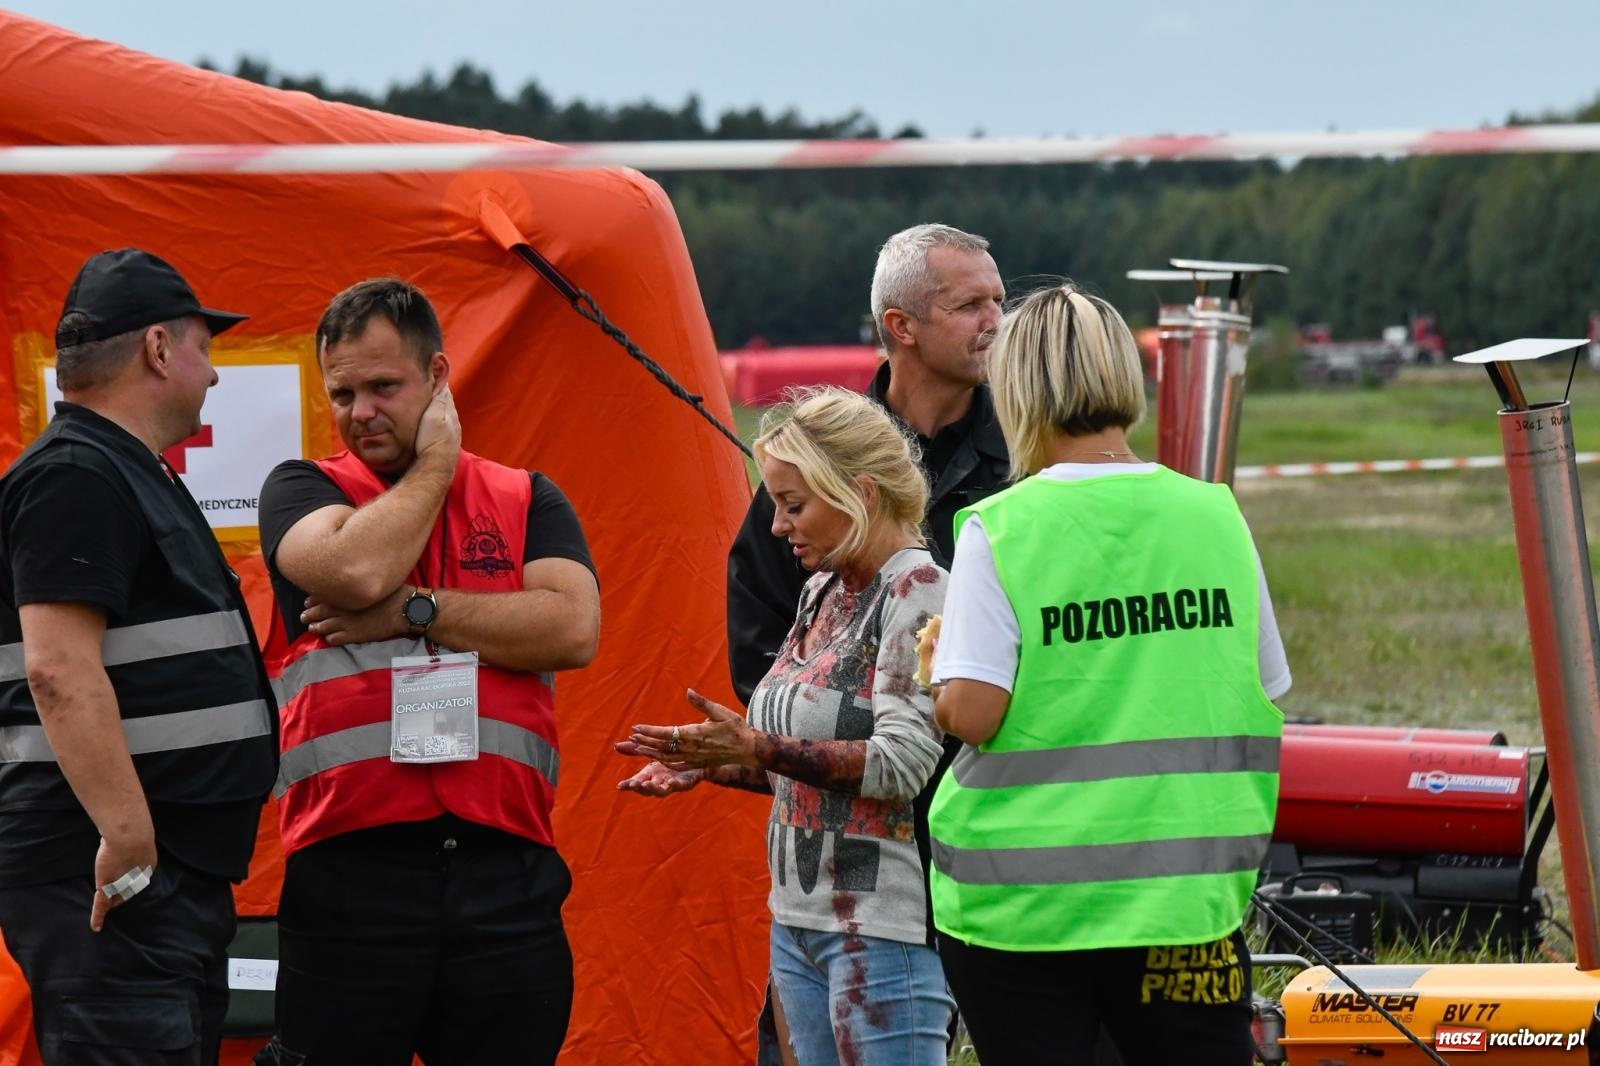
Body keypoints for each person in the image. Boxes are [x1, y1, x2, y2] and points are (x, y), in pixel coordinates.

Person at [921, 284, 1292, 1066]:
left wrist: (936, 673)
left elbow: (976, 712)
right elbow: (1263, 680)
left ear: (1016, 389)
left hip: (1023, 914)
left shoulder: (1003, 528)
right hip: (1186, 903)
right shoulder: (1215, 514)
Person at [254, 278, 600, 1065]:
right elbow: (356, 572)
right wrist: (438, 461)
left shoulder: (526, 498)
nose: (360, 412)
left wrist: (421, 612)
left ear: (438, 376)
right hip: (349, 875)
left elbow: (572, 628)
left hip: (503, 874)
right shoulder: (300, 490)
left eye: (384, 386)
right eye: (341, 393)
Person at [726, 225, 1005, 1063]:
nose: (997, 320)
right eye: (971, 304)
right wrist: (739, 753)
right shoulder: (809, 493)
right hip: (817, 895)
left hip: (954, 869)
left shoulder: (1020, 467)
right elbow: (761, 661)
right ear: (900, 326)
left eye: (1001, 299)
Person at [620, 387, 956, 1066]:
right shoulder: (820, 591)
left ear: (859, 493)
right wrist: (716, 763)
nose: (776, 527)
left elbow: (901, 765)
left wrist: (756, 745)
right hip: (800, 919)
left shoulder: (917, 589)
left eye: (793, 504)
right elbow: (804, 768)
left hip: (880, 929)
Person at [0, 248, 279, 1064]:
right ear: (159, 349)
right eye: (206, 348)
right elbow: (58, 669)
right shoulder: (78, 475)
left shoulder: (116, 470)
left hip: (156, 879)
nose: (215, 375)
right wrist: (128, 840)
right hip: (111, 879)